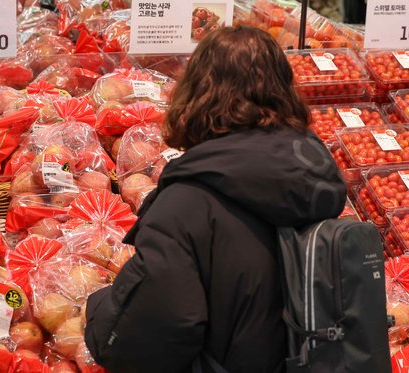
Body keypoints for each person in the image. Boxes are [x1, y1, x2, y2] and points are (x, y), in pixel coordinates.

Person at [84, 27, 346, 373]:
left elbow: (148, 339)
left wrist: (98, 308)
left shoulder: (186, 203)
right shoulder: (312, 181)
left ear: (195, 94)